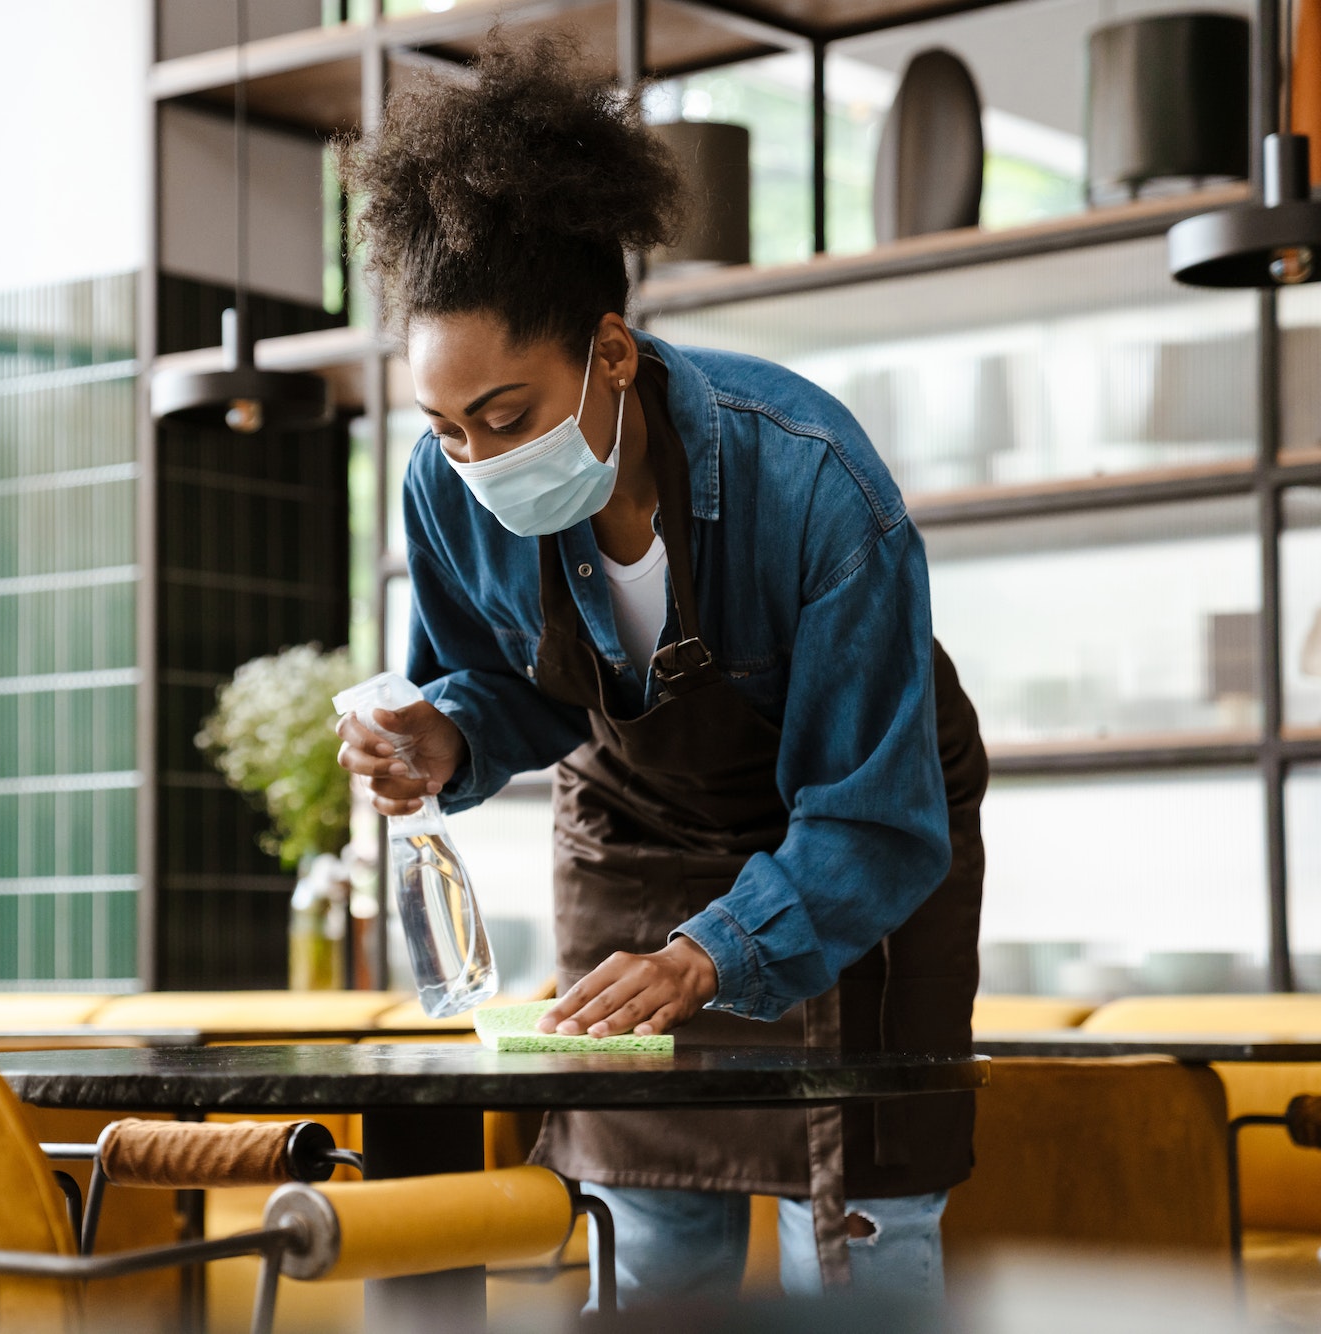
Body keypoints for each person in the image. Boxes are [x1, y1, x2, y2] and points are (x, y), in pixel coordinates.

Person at [332, 31, 987, 1304]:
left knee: (852, 1231)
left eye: (509, 417)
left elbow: (870, 811)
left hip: (864, 825)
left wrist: (708, 951)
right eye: (445, 426)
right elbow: (497, 680)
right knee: (646, 1225)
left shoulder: (815, 486)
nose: (473, 459)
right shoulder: (444, 487)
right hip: (632, 827)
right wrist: (442, 739)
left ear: (613, 354)